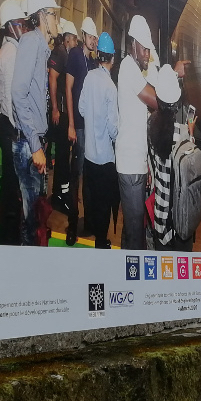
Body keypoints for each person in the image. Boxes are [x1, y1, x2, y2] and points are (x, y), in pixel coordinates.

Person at [11, 0, 59, 245]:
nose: (56, 20)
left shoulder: (42, 46)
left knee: (36, 218)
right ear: (42, 15)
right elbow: (18, 93)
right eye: (53, 14)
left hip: (35, 142)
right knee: (31, 222)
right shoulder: (31, 41)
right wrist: (34, 143)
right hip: (28, 144)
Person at [115, 15, 160, 250]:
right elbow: (155, 100)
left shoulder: (135, 69)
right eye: (144, 49)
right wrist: (172, 80)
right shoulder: (127, 67)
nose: (147, 55)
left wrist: (148, 166)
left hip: (137, 164)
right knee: (135, 236)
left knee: (133, 228)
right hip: (130, 165)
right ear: (133, 44)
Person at [78, 32, 119, 249]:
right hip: (104, 157)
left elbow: (81, 108)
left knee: (92, 199)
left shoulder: (89, 77)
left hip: (89, 155)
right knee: (104, 204)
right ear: (112, 58)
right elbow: (113, 128)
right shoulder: (110, 87)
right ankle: (101, 243)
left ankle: (94, 234)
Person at [0, 0, 30, 245]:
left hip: (10, 126)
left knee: (11, 182)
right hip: (11, 127)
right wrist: (21, 132)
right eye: (19, 23)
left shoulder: (14, 50)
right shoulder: (10, 54)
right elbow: (11, 100)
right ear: (10, 26)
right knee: (10, 184)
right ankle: (8, 235)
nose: (23, 28)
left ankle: (9, 230)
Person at [64, 17, 98, 245]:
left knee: (87, 174)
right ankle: (72, 223)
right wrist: (71, 124)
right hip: (78, 126)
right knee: (75, 174)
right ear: (84, 36)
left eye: (96, 37)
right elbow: (67, 88)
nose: (94, 40)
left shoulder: (93, 63)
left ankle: (87, 219)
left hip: (90, 127)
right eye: (92, 36)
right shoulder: (75, 55)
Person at [147, 65, 188, 250]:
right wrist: (191, 132)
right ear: (177, 101)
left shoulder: (150, 123)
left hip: (160, 212)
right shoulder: (182, 133)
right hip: (178, 218)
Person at [48, 20, 76, 213]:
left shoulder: (65, 54)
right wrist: (56, 109)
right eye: (74, 39)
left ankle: (59, 193)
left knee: (63, 155)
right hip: (61, 114)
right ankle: (60, 196)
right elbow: (52, 77)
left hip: (64, 112)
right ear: (68, 39)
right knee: (62, 155)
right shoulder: (59, 52)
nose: (76, 43)